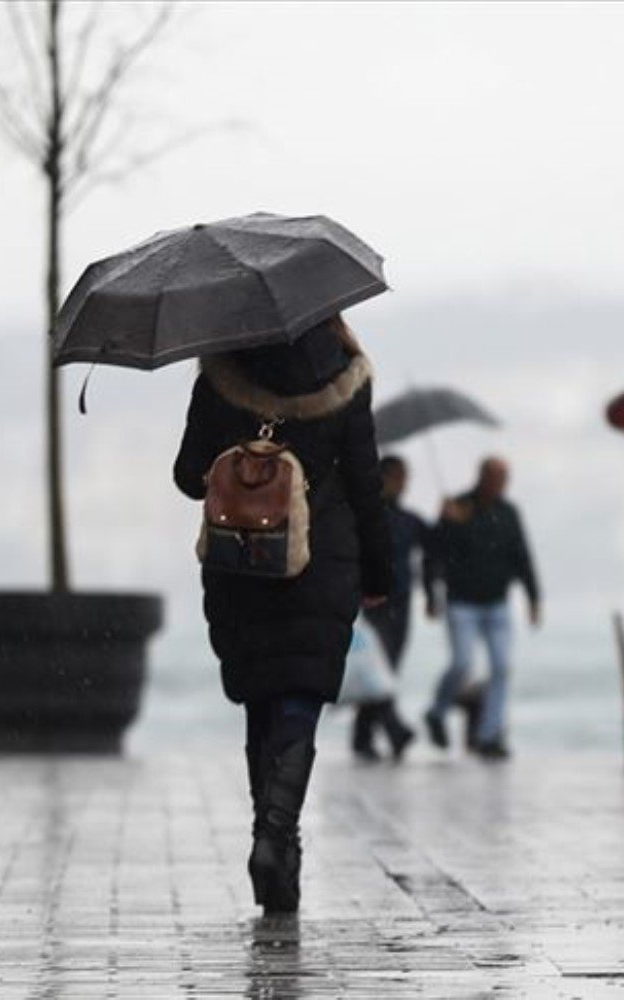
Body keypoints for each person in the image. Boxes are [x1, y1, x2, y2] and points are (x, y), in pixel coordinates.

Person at [172, 315, 392, 913]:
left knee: (261, 700)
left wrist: (245, 455)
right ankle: (278, 837)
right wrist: (379, 575)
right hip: (322, 561)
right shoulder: (346, 379)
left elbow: (188, 476)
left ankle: (269, 842)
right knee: (300, 697)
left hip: (240, 560)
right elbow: (368, 486)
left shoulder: (222, 374)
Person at [423, 456, 541, 760]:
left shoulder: (508, 512)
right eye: (497, 478)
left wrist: (533, 596)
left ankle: (489, 735)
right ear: (482, 477)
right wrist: (430, 593)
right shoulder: (458, 507)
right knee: (462, 663)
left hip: (497, 604)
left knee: (502, 667)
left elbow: (522, 555)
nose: (501, 484)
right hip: (462, 603)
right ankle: (437, 712)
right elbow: (434, 553)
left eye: (505, 479)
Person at [350, 456, 436, 762]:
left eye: (406, 477)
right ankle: (395, 730)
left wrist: (451, 517)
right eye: (400, 477)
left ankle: (363, 737)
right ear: (384, 478)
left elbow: (434, 550)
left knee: (384, 670)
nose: (404, 484)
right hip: (373, 604)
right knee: (380, 670)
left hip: (402, 603)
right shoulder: (367, 516)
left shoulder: (410, 521)